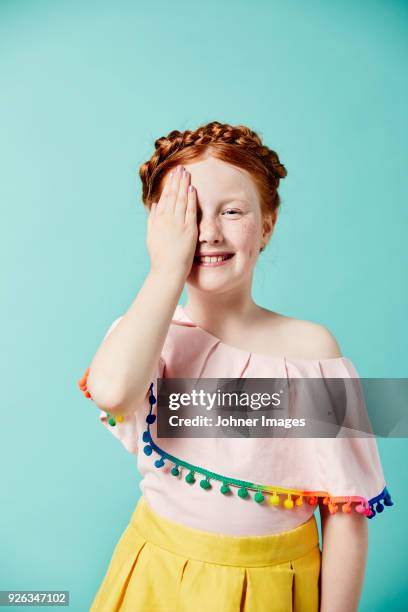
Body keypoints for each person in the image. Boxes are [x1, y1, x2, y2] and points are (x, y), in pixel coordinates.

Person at [78, 121, 393, 611]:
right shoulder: (147, 337)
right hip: (156, 579)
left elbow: (347, 514)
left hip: (276, 586)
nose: (207, 232)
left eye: (232, 211)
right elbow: (113, 391)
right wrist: (165, 267)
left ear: (266, 224)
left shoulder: (311, 352)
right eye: (189, 214)